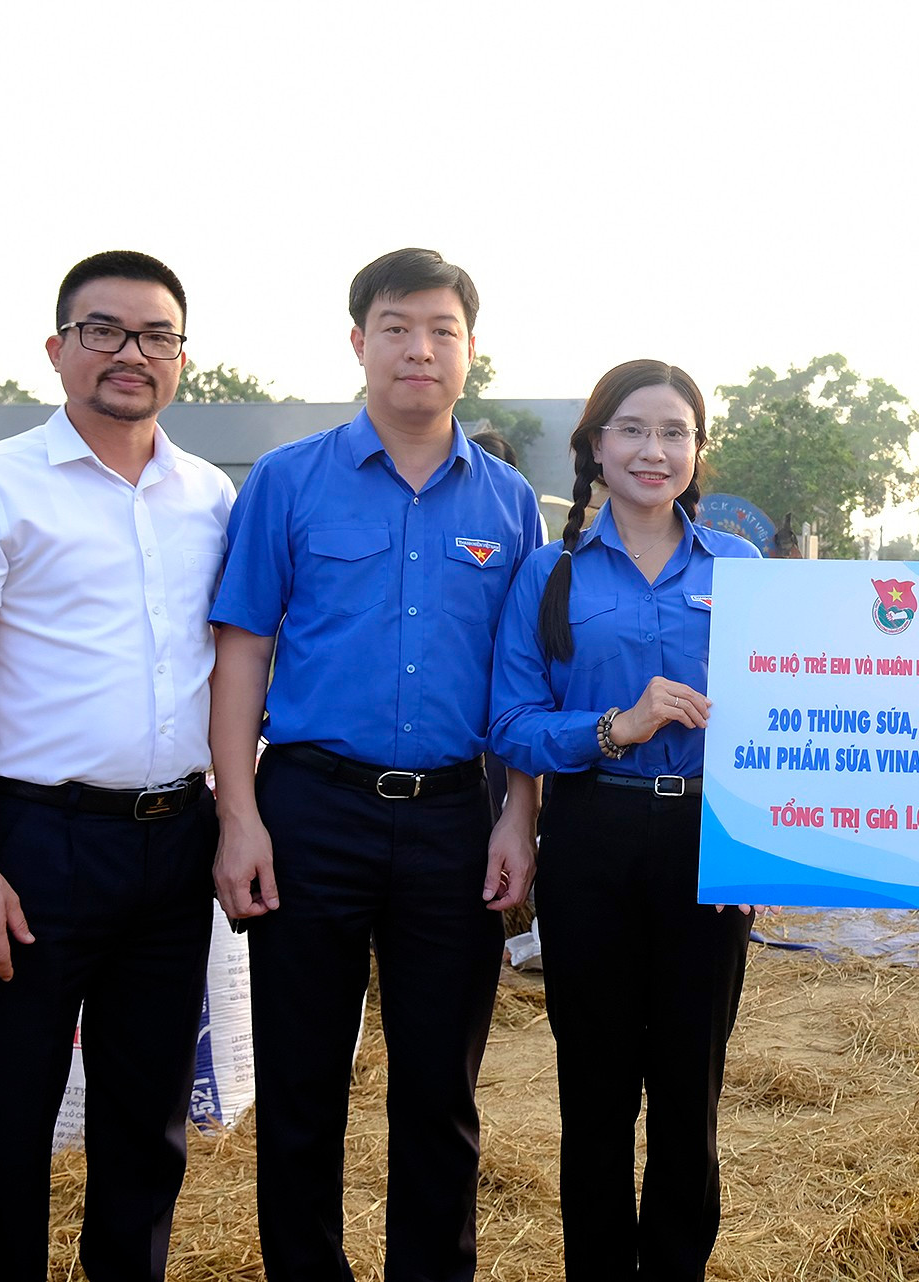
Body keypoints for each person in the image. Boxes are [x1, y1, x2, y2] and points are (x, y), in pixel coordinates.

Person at [208, 248, 545, 1282]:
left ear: (470, 351)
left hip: (455, 816)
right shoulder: (287, 481)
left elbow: (526, 680)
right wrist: (240, 817)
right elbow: (242, 649)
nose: (420, 348)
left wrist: (516, 818)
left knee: (439, 1092)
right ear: (359, 342)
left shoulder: (508, 504)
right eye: (397, 326)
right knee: (304, 1085)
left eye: (442, 329)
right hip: (310, 807)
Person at [0, 251, 233, 1282]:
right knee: (2, 1115)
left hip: (175, 843)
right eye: (105, 331)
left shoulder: (211, 498)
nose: (131, 354)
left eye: (156, 336)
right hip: (34, 844)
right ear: (57, 348)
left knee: (146, 1123)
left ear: (181, 360)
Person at [489, 359, 758, 1280]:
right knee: (595, 1091)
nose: (655, 450)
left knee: (692, 1087)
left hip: (710, 847)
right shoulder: (548, 573)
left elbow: (795, 714)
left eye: (675, 432)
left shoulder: (745, 570)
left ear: (698, 451)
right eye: (634, 430)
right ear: (595, 446)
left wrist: (767, 852)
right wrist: (618, 726)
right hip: (590, 842)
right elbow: (512, 724)